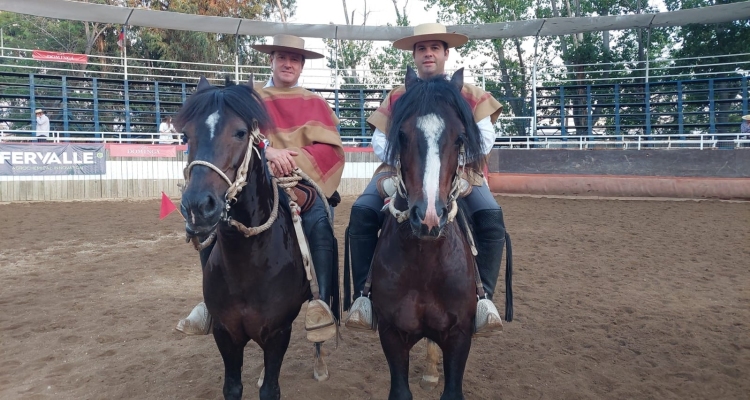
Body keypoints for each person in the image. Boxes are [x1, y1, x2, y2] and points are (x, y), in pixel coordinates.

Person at [177, 35, 345, 343]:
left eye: (294, 59)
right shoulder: (248, 97)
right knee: (211, 220)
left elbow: (330, 151)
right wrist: (268, 153)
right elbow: (232, 138)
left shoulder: (316, 103)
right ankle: (209, 301)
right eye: (282, 56)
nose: (287, 63)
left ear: (302, 65)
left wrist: (294, 161)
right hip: (250, 178)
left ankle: (318, 302)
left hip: (298, 180)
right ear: (271, 60)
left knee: (319, 222)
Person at [345, 23, 508, 336]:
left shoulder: (471, 95)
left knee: (491, 217)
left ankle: (484, 298)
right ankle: (363, 298)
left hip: (461, 172)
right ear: (414, 55)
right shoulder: (397, 96)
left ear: (446, 53)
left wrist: (448, 162)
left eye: (435, 47)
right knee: (362, 212)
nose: (428, 54)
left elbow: (485, 137)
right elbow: (380, 140)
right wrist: (409, 162)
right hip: (400, 172)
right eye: (422, 49)